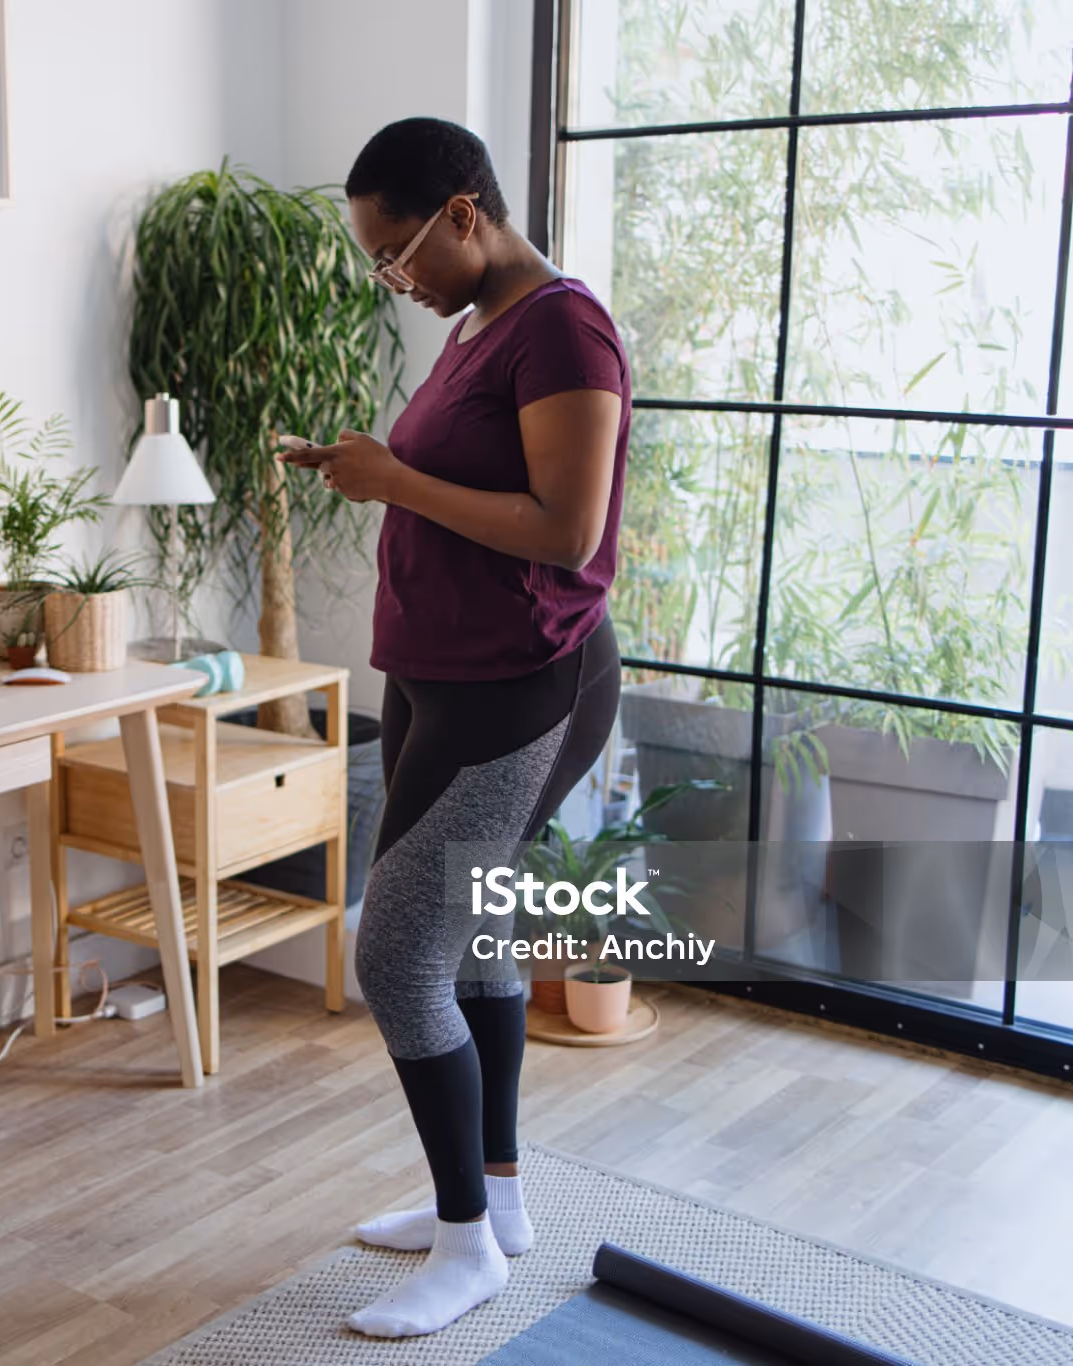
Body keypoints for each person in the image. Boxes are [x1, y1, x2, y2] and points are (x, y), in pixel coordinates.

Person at [276, 117, 629, 1339]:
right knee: (469, 929)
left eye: (397, 253)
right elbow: (457, 475)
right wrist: (365, 464)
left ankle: (465, 1243)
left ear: (464, 216)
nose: (394, 279)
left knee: (394, 954)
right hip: (440, 668)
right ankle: (498, 1201)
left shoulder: (564, 329)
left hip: (522, 681)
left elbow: (563, 531)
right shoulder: (482, 325)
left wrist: (395, 481)